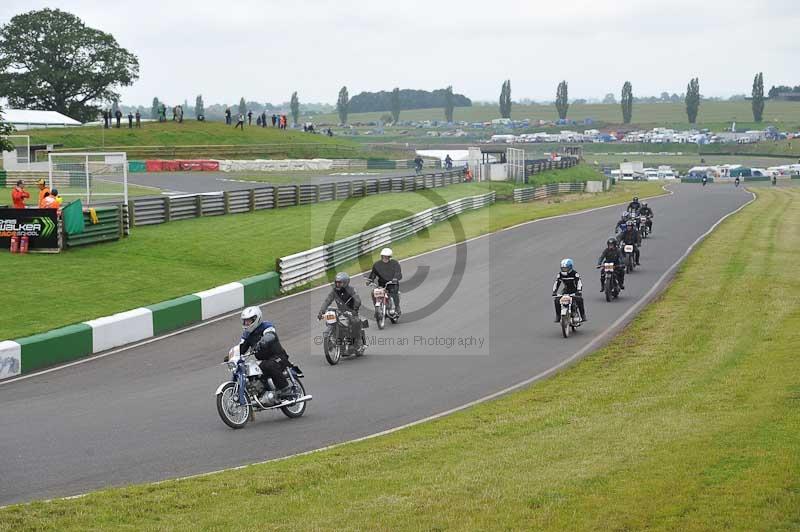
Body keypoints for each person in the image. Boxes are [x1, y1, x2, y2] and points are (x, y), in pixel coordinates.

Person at [232, 306, 299, 405]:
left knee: (269, 365)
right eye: (245, 321)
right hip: (263, 361)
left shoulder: (266, 326)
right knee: (251, 370)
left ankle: (285, 389)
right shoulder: (247, 334)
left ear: (256, 319)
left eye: (249, 321)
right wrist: (232, 355)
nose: (246, 323)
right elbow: (241, 348)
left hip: (279, 357)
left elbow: (270, 335)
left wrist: (263, 341)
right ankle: (261, 393)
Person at [318, 272, 365, 354]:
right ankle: (333, 340)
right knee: (330, 322)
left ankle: (357, 342)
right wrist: (321, 312)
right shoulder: (334, 291)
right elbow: (327, 301)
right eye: (336, 282)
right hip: (340, 312)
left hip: (351, 312)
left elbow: (357, 300)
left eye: (340, 283)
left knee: (355, 322)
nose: (337, 284)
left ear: (346, 283)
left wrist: (354, 310)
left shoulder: (351, 290)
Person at [367, 247, 402, 316]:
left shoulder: (395, 263)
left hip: (392, 284)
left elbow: (398, 273)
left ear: (390, 257)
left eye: (387, 257)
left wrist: (395, 278)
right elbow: (373, 273)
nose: (385, 258)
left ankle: (397, 307)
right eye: (383, 256)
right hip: (381, 284)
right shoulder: (377, 264)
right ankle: (377, 309)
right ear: (381, 256)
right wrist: (370, 280)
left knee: (394, 292)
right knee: (373, 293)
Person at [552, 258, 587, 323]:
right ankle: (558, 315)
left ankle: (583, 315)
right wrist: (554, 291)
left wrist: (579, 291)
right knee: (557, 300)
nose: (564, 270)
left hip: (575, 291)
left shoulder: (574, 273)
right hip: (566, 290)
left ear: (570, 267)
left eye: (565, 268)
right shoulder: (560, 274)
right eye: (562, 268)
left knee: (580, 300)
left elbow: (579, 282)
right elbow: (557, 283)